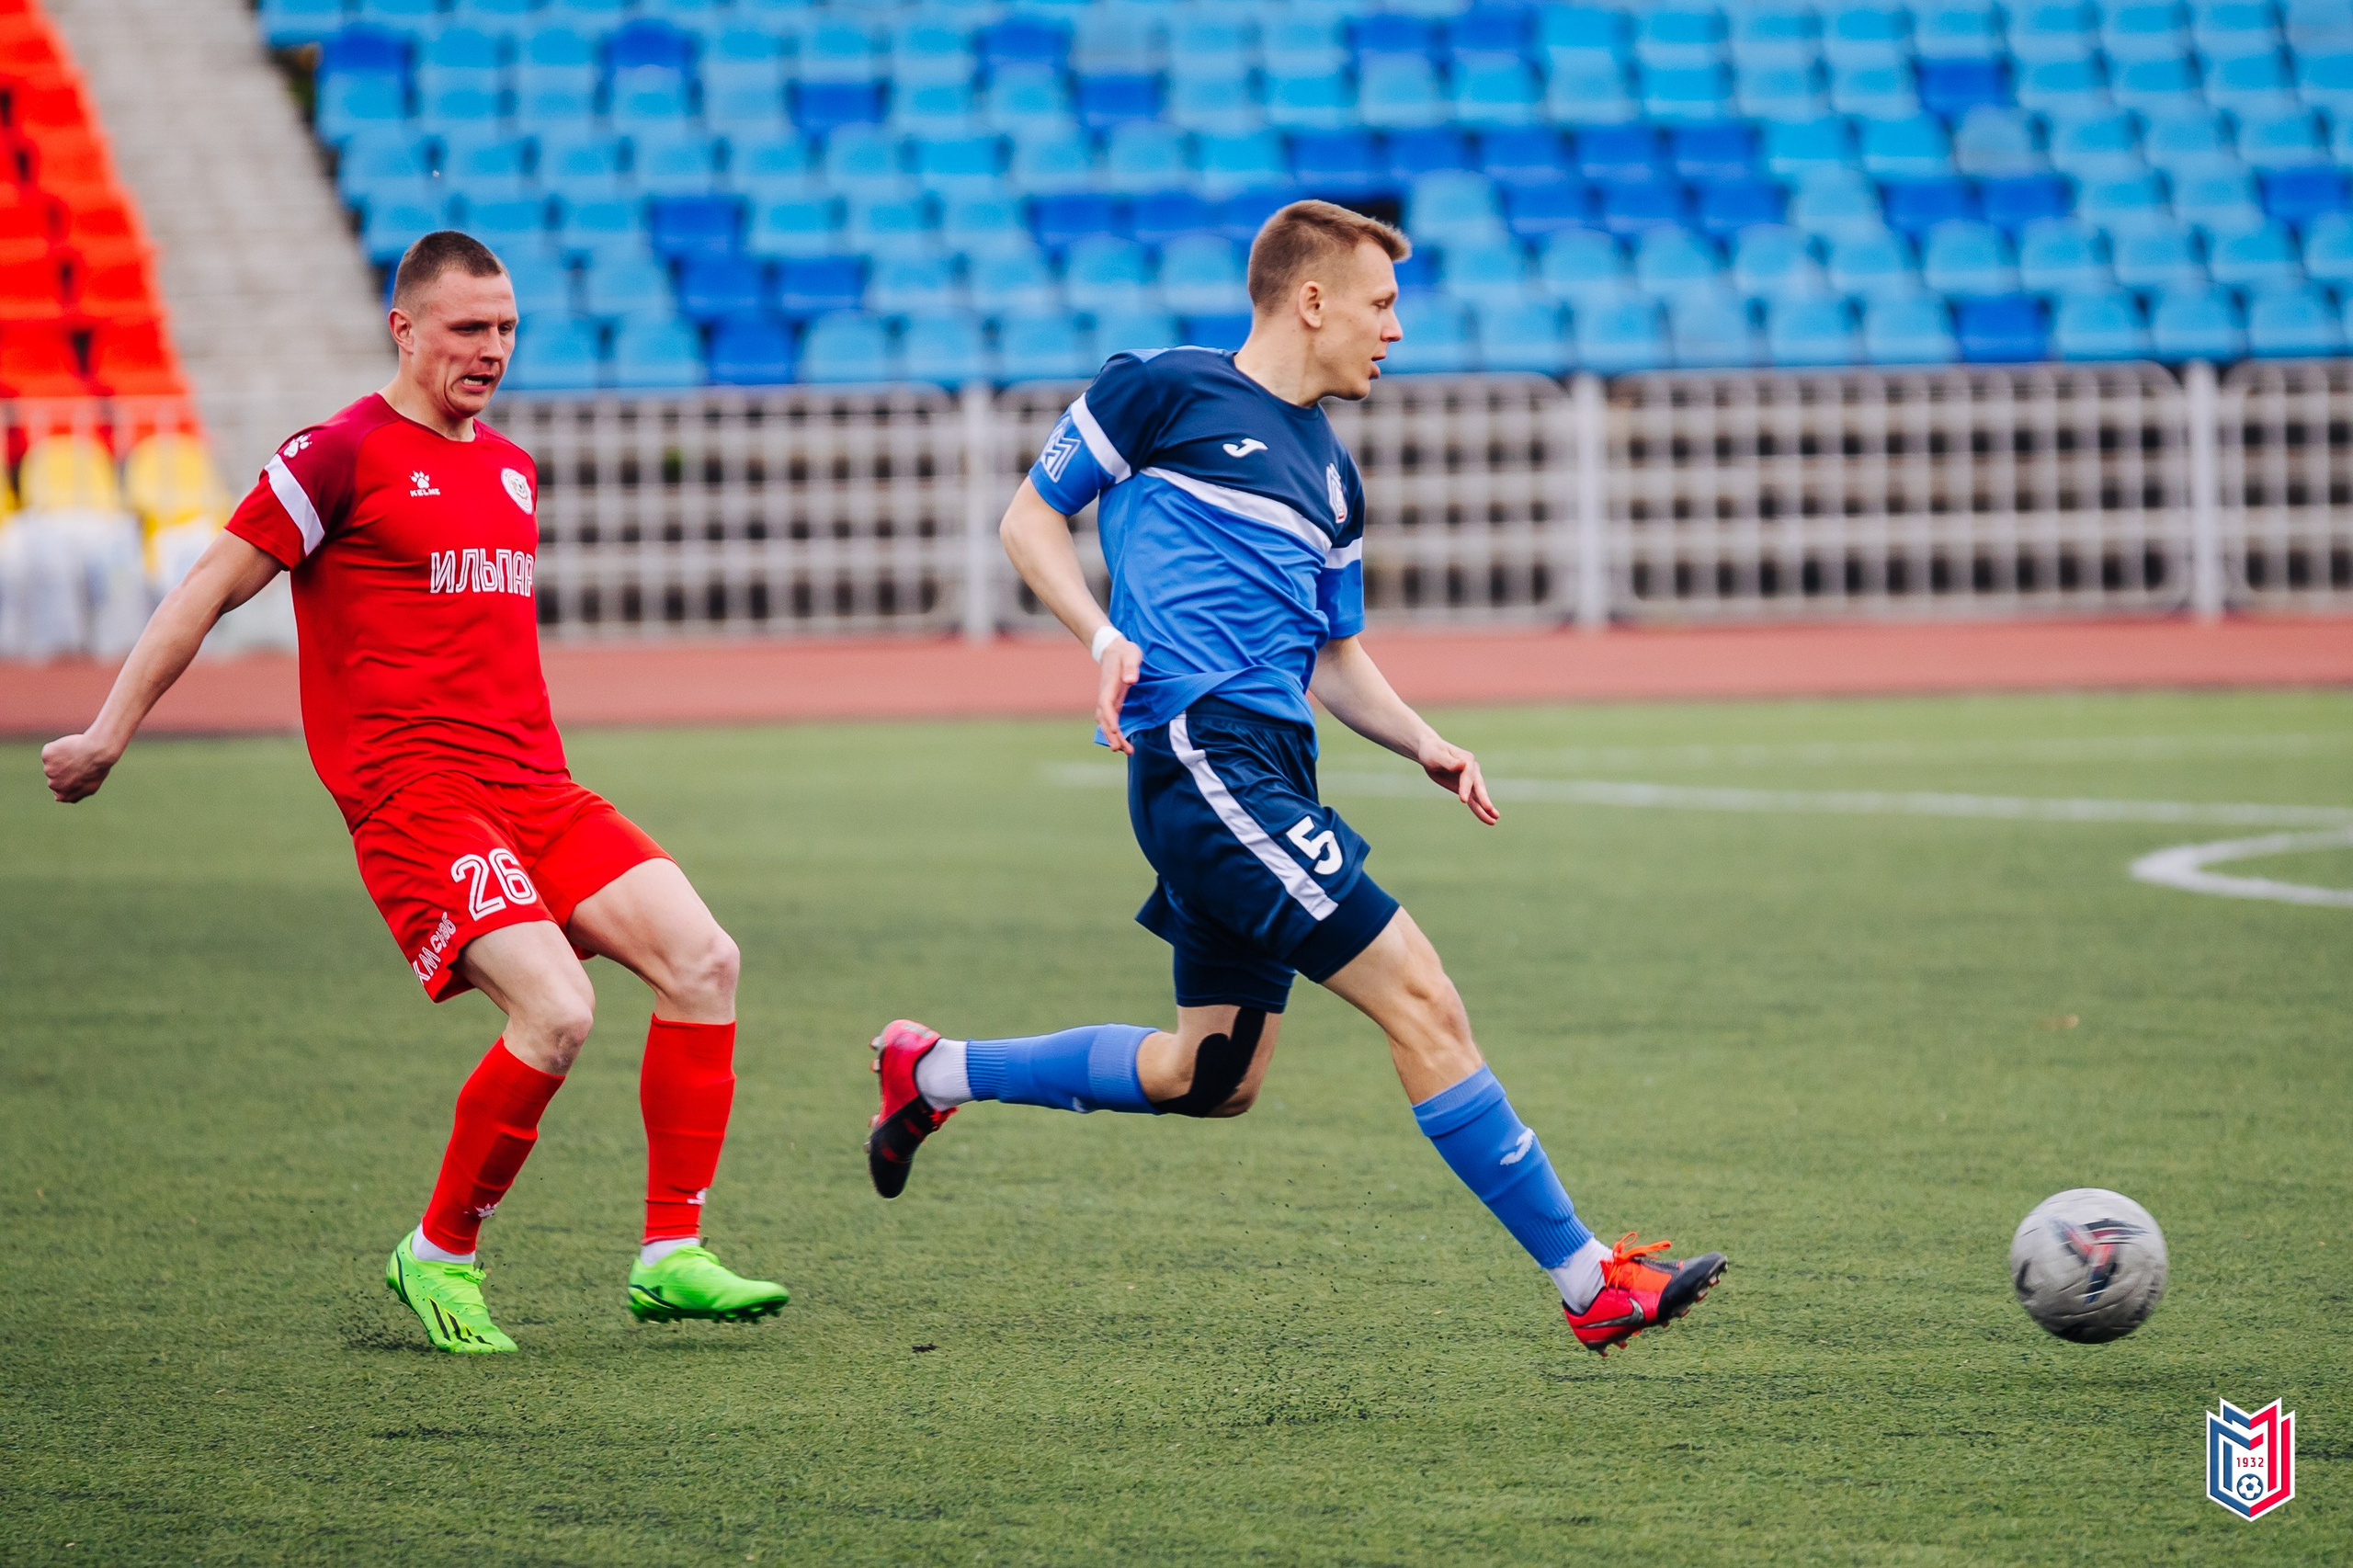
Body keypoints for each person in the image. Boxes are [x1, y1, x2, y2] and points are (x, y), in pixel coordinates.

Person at [865, 201, 1725, 1355]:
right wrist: (1098, 632)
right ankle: (1587, 1280)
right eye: (1382, 304)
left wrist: (1424, 739)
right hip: (1202, 755)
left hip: (1272, 766)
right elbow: (1029, 521)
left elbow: (1334, 656)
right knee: (1421, 996)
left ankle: (937, 1069)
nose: (1396, 331)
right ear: (1311, 300)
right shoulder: (1159, 388)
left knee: (1208, 1074)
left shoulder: (1330, 470)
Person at [40, 233, 787, 1354]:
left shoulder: (511, 467)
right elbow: (208, 584)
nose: (491, 351)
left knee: (705, 959)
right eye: (467, 329)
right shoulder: (334, 456)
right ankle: (439, 1251)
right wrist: (110, 729)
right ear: (405, 327)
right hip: (414, 796)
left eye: (506, 330)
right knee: (559, 1008)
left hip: (534, 784)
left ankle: (669, 1253)